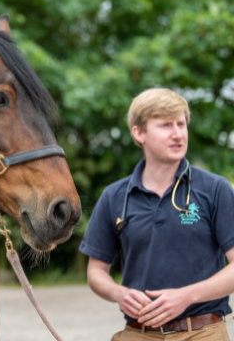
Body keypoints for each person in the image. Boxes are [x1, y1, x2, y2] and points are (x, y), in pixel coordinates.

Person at [79, 88, 234, 340]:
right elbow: (96, 272)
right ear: (139, 133)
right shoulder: (115, 196)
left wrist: (186, 296)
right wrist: (119, 294)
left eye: (181, 124)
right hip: (138, 332)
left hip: (203, 331)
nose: (178, 134)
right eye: (165, 125)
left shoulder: (215, 189)